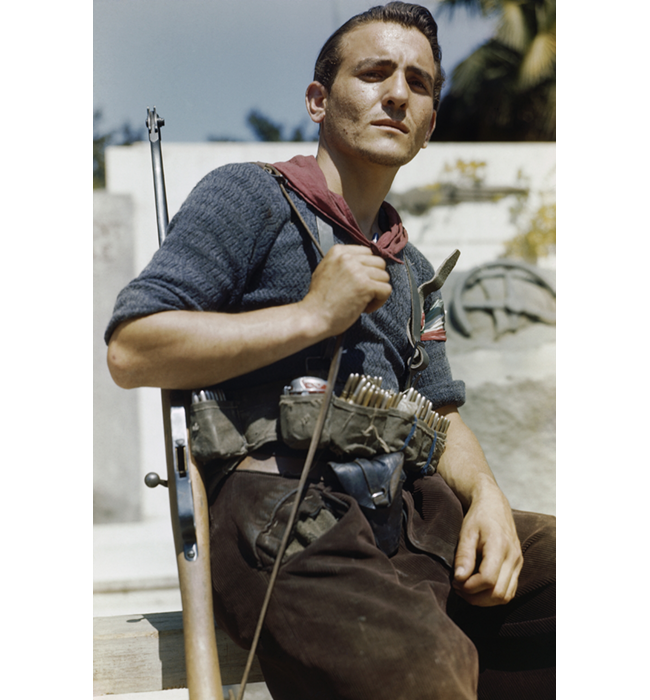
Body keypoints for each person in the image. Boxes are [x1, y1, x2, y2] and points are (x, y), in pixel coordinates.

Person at [105, 3, 555, 699]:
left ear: (430, 125)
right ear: (318, 100)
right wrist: (313, 315)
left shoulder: (411, 268)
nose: (397, 93)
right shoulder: (250, 196)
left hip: (410, 515)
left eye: (418, 83)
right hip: (285, 516)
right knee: (424, 669)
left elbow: (440, 412)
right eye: (374, 73)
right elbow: (134, 348)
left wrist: (488, 497)